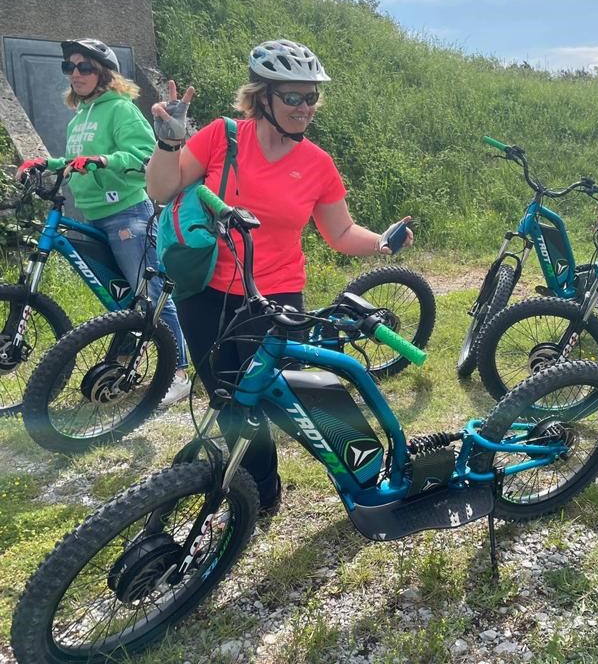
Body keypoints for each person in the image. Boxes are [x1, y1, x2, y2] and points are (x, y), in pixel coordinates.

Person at [146, 38, 412, 516]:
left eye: (311, 98)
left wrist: (381, 244)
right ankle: (257, 489)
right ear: (262, 96)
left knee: (270, 397)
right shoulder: (222, 137)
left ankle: (321, 473)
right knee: (225, 396)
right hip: (203, 290)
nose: (306, 108)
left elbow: (340, 231)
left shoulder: (317, 164)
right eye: (294, 97)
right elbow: (163, 188)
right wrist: (169, 141)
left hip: (273, 296)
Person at [20, 38, 192, 405]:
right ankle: (131, 359)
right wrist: (44, 164)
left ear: (104, 74)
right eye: (70, 67)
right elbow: (73, 161)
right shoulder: (81, 116)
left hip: (127, 213)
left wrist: (104, 160)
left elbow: (144, 155)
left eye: (85, 67)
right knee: (124, 298)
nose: (76, 74)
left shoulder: (121, 110)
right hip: (95, 215)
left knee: (152, 294)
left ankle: (178, 372)